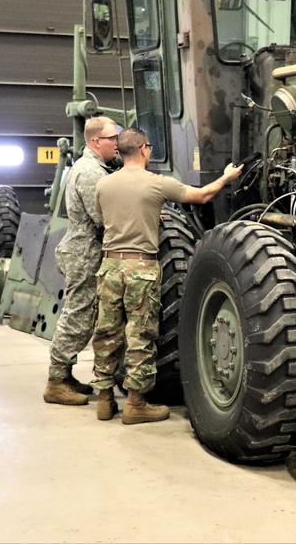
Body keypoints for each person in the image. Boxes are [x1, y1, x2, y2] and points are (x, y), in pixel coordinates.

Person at [92, 128, 243, 424]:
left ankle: (104, 400)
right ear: (145, 149)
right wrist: (226, 177)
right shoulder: (157, 184)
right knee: (140, 334)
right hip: (141, 268)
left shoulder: (103, 184)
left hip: (109, 267)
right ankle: (135, 404)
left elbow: (103, 219)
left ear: (120, 152)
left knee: (107, 333)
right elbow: (203, 195)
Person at [43, 116, 120, 406]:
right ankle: (56, 381)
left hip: (85, 251)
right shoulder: (90, 173)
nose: (117, 143)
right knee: (78, 316)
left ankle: (65, 375)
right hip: (84, 253)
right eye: (112, 138)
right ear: (96, 141)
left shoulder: (94, 168)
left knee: (83, 316)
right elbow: (103, 216)